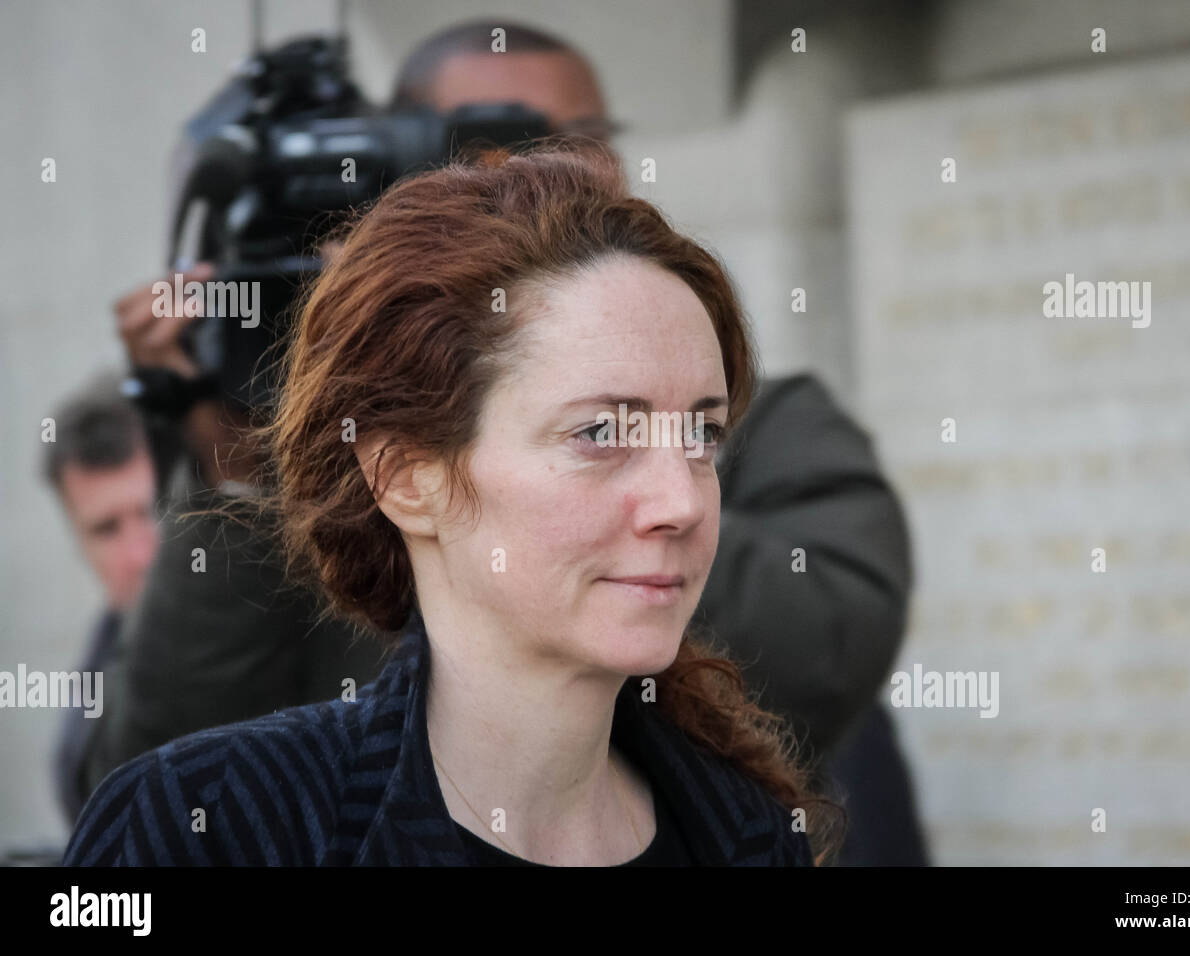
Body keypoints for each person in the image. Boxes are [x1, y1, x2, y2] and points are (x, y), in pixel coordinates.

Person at [66, 140, 841, 866]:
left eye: (701, 434)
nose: (682, 501)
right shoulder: (209, 824)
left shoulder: (751, 839)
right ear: (407, 478)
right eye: (601, 431)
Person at [391, 20, 925, 864]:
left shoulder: (780, 422)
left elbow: (832, 640)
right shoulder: (246, 801)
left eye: (703, 433)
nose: (563, 172)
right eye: (502, 147)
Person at [41, 373, 161, 827]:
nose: (141, 554)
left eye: (152, 511)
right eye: (107, 529)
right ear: (77, 542)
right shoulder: (84, 726)